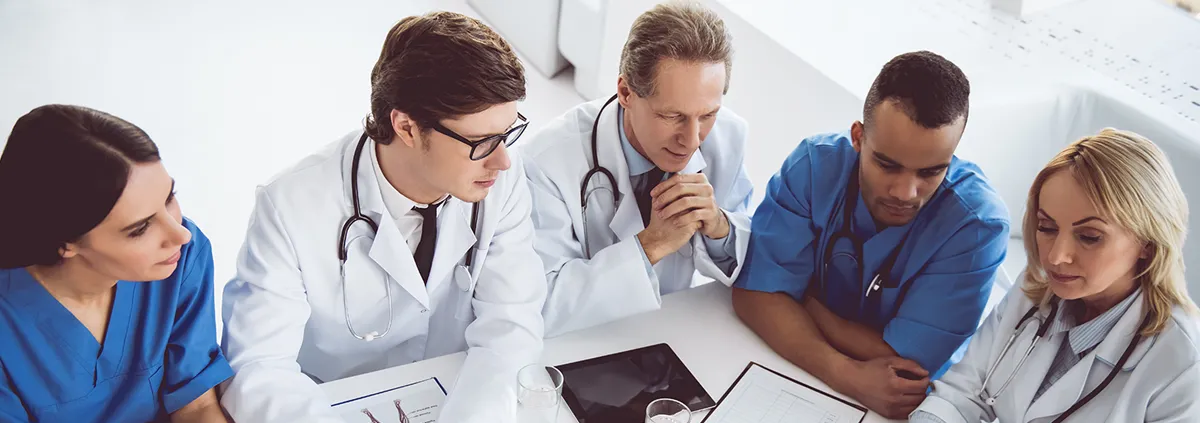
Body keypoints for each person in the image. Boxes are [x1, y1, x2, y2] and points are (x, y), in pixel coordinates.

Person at [218, 12, 546, 423]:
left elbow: (511, 325)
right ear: (407, 127)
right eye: (481, 142)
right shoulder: (290, 206)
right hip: (332, 405)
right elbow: (257, 368)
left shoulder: (497, 177)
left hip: (456, 393)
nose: (502, 160)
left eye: (507, 133)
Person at [731, 50, 1011, 419]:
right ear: (858, 137)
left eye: (930, 172)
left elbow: (908, 368)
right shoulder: (814, 166)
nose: (905, 192)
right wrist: (845, 372)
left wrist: (806, 304)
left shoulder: (977, 226)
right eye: (887, 164)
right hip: (805, 377)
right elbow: (754, 295)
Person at [911, 129, 1200, 422]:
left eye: (1089, 236)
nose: (1056, 257)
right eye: (1047, 228)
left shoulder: (1183, 361)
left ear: (1147, 245)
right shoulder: (1037, 287)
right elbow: (961, 396)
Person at [521, 0, 753, 336]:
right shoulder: (547, 162)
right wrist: (652, 245)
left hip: (672, 335)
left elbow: (752, 255)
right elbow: (543, 304)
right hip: (584, 347)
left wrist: (719, 226)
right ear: (626, 92)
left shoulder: (729, 136)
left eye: (707, 115)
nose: (691, 140)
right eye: (671, 116)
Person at [0, 105, 232, 422]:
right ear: (66, 243)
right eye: (139, 229)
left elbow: (197, 406)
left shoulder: (180, 259)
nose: (179, 234)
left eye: (169, 197)